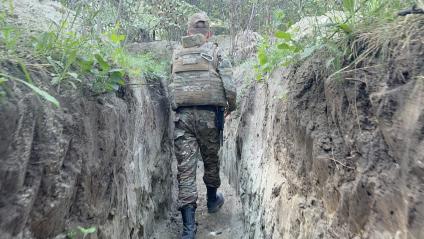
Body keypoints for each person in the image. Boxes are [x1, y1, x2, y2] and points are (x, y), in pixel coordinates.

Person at [169, 12, 237, 239]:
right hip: (210, 116)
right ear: (208, 34)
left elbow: (172, 86)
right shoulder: (216, 52)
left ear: (189, 32)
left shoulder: (177, 53)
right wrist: (231, 106)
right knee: (211, 159)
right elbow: (230, 86)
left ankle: (188, 229)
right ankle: (211, 200)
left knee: (186, 170)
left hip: (183, 119)